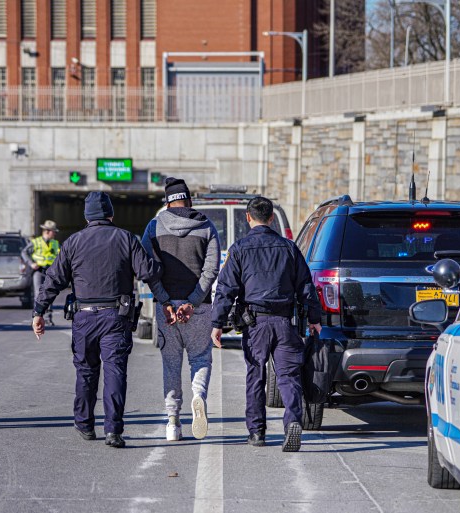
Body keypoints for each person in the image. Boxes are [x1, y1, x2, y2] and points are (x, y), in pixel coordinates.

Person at [31, 192, 161, 448]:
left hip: (84, 317)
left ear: (87, 217)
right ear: (111, 214)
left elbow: (53, 279)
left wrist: (38, 311)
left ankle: (85, 424)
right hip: (116, 317)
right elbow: (147, 271)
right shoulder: (126, 238)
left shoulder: (73, 242)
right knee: (115, 371)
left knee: (86, 371)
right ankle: (113, 431)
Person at [210, 196, 321, 452]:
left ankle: (257, 432)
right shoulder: (289, 248)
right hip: (285, 321)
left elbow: (226, 288)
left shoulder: (239, 249)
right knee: (288, 376)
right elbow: (306, 286)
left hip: (255, 323)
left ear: (248, 218)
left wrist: (217, 323)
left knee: (255, 376)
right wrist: (314, 319)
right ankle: (293, 421)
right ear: (272, 218)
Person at [141, 177, 220, 441]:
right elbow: (211, 269)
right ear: (189, 199)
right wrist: (193, 301)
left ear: (167, 201)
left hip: (167, 311)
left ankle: (173, 422)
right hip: (199, 307)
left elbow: (148, 269)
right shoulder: (206, 226)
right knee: (200, 358)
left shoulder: (153, 227)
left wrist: (165, 301)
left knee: (171, 365)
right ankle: (198, 395)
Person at [22, 220, 61, 326]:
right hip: (39, 271)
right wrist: (31, 263)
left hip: (50, 272)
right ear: (48, 231)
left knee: (50, 293)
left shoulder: (55, 243)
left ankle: (48, 318)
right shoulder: (36, 242)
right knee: (38, 295)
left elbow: (60, 256)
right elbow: (24, 252)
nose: (55, 234)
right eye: (54, 231)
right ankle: (36, 318)